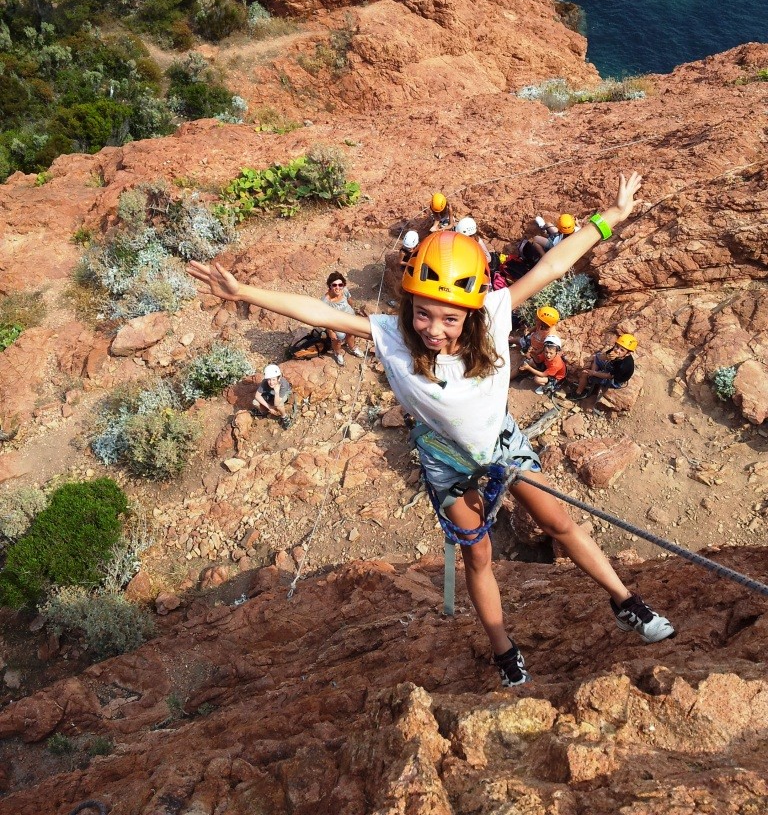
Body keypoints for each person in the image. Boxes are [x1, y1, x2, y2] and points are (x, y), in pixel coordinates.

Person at [188, 173, 675, 690]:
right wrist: (244, 292)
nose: (433, 329)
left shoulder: (492, 314)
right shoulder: (393, 334)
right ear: (409, 306)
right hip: (447, 460)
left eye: (448, 319)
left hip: (500, 443)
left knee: (559, 523)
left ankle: (626, 603)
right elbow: (312, 308)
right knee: (479, 555)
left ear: (469, 313)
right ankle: (504, 650)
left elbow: (553, 264)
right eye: (423, 314)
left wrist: (610, 218)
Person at [572, 334, 637, 401]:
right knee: (596, 356)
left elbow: (609, 376)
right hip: (612, 368)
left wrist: (594, 373)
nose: (617, 350)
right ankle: (591, 378)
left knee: (584, 373)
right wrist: (606, 357)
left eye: (622, 350)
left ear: (628, 353)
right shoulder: (615, 350)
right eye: (617, 346)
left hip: (615, 380)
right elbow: (599, 357)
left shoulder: (623, 365)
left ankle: (579, 393)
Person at [320, 272, 364, 367]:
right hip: (337, 323)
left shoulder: (344, 291)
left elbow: (350, 301)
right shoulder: (325, 301)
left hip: (349, 317)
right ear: (330, 286)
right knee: (338, 338)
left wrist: (354, 311)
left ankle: (352, 348)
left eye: (340, 285)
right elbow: (324, 318)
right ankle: (337, 353)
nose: (338, 287)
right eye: (334, 285)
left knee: (351, 334)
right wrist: (330, 331)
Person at [253, 364, 294, 428]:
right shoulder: (265, 382)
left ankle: (284, 417)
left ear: (279, 378)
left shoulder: (283, 384)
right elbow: (257, 396)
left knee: (278, 404)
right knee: (255, 402)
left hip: (282, 394)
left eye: (273, 379)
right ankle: (265, 412)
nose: (271, 382)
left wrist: (277, 392)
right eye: (269, 379)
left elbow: (276, 404)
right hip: (271, 393)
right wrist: (269, 407)